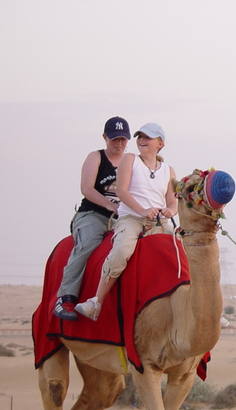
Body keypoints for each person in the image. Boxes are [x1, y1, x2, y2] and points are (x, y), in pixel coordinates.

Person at [75, 122, 178, 321]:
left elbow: (173, 202)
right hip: (131, 218)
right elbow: (121, 191)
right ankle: (96, 301)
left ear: (160, 143)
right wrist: (142, 210)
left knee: (183, 252)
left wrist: (169, 210)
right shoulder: (130, 159)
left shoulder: (169, 170)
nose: (142, 140)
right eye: (140, 137)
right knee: (122, 250)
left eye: (148, 137)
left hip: (158, 222)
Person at [53, 116, 131, 321]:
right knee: (88, 243)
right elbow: (86, 188)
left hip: (124, 217)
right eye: (114, 139)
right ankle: (65, 297)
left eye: (123, 139)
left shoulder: (131, 162)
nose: (119, 143)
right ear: (105, 137)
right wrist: (109, 205)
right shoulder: (96, 157)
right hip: (94, 214)